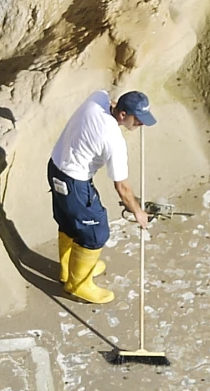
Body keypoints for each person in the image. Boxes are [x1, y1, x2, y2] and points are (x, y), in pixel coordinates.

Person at [47, 87, 154, 304]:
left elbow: (112, 99)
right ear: (123, 115)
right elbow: (122, 187)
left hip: (55, 167)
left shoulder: (98, 97)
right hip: (74, 182)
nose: (140, 124)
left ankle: (69, 269)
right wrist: (138, 212)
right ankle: (78, 285)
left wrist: (130, 112)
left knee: (69, 222)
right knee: (96, 232)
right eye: (138, 119)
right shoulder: (113, 140)